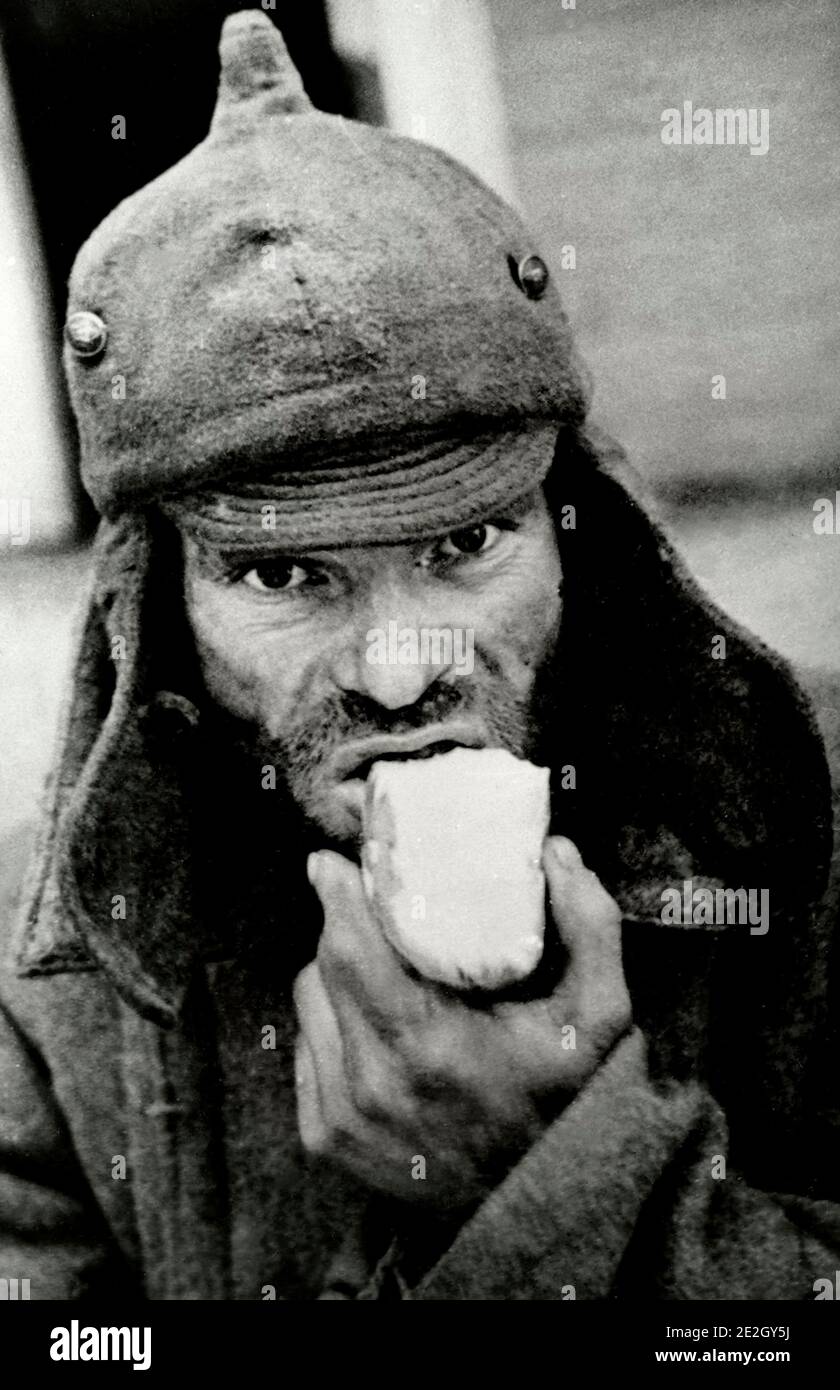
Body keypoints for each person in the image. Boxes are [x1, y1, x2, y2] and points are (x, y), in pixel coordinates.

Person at [1, 10, 838, 1301]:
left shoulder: (817, 838)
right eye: (283, 574)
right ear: (151, 610)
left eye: (465, 542)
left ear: (581, 537)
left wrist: (570, 1187)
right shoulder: (38, 987)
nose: (400, 674)